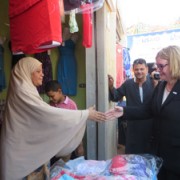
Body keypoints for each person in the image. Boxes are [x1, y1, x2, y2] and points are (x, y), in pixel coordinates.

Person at [0, 57, 106, 180]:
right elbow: (47, 114)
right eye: (38, 71)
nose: (42, 74)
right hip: (21, 152)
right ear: (27, 72)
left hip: (24, 150)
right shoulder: (22, 90)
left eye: (42, 71)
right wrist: (85, 114)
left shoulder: (26, 89)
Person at [106, 45, 180, 180]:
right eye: (157, 65)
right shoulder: (161, 86)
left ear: (174, 63)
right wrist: (124, 111)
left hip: (176, 157)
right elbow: (149, 109)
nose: (157, 70)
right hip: (158, 154)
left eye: (161, 66)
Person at [108, 58, 155, 154]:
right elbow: (116, 97)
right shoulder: (128, 84)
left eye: (142, 69)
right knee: (133, 154)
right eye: (137, 69)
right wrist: (111, 87)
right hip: (133, 125)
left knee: (149, 153)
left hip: (150, 124)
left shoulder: (153, 83)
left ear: (146, 69)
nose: (139, 72)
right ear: (133, 70)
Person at [45, 80, 84, 163]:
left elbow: (77, 125)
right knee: (54, 167)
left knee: (64, 166)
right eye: (49, 97)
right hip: (54, 144)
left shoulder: (71, 105)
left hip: (67, 144)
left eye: (52, 96)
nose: (51, 99)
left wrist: (80, 146)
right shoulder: (50, 104)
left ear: (59, 91)